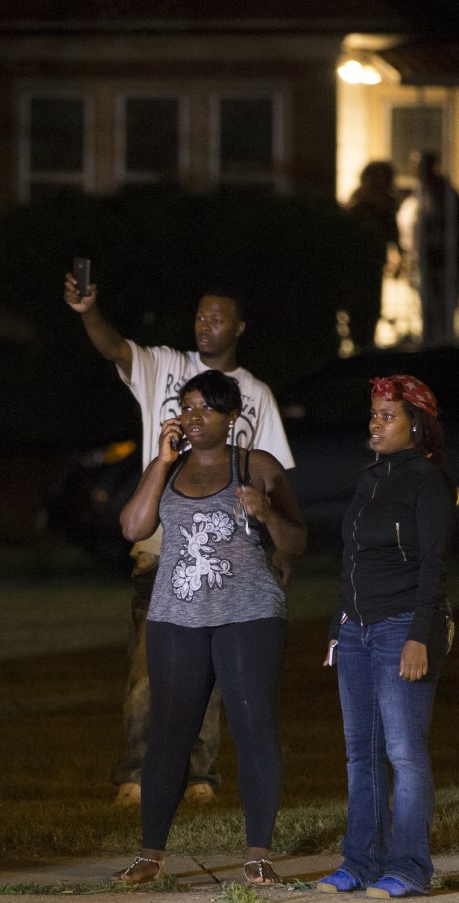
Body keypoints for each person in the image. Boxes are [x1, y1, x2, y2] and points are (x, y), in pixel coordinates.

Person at [63, 277, 295, 808]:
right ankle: (138, 772)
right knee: (150, 660)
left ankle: (198, 776)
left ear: (238, 328)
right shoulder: (167, 367)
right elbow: (114, 347)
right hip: (163, 539)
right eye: (198, 317)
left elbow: (275, 480)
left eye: (216, 319)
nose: (204, 327)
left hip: (226, 549)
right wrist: (89, 311)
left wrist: (279, 554)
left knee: (212, 665)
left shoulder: (255, 395)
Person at [112, 369, 307, 885]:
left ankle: (258, 853)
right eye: (187, 407)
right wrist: (160, 459)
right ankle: (150, 855)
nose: (194, 418)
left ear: (232, 417)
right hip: (177, 617)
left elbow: (295, 542)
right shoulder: (169, 468)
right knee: (169, 735)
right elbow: (133, 527)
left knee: (253, 728)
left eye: (205, 409)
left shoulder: (256, 465)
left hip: (249, 615)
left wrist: (265, 512)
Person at [316, 373, 456, 899]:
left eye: (388, 415)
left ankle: (410, 866)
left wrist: (420, 634)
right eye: (373, 414)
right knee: (361, 752)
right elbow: (352, 560)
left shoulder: (429, 482)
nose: (375, 423)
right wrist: (338, 628)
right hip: (357, 628)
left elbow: (434, 566)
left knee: (403, 750)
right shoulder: (369, 479)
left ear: (417, 426)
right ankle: (360, 861)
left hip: (403, 624)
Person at [397, 152, 459, 346]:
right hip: (429, 262)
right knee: (430, 310)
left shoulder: (445, 194)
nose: (419, 173)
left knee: (442, 310)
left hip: (445, 263)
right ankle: (433, 343)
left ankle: (440, 346)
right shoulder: (422, 194)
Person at [343, 161, 400, 352]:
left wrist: (398, 252)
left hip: (374, 259)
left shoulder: (386, 202)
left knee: (371, 302)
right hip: (356, 260)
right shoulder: (359, 200)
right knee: (357, 302)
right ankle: (359, 339)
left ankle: (366, 340)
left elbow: (392, 231)